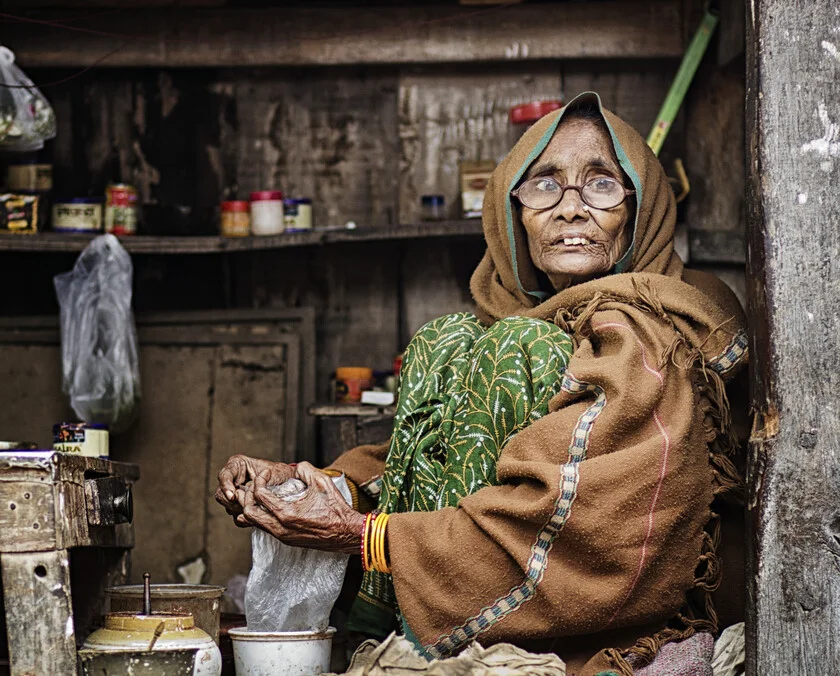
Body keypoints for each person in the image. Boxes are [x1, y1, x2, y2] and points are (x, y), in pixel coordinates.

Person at [215, 92, 747, 676]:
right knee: (446, 336)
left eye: (601, 184)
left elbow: (593, 521)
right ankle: (426, 628)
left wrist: (363, 537)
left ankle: (467, 629)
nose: (570, 209)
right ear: (510, 210)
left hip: (596, 619)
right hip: (445, 603)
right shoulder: (490, 327)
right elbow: (420, 459)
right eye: (544, 185)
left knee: (521, 342)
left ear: (641, 207)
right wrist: (317, 487)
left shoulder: (648, 331)